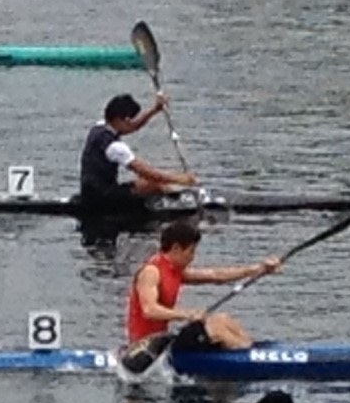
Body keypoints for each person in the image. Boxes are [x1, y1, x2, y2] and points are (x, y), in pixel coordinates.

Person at [125, 219, 280, 354]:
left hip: (163, 340)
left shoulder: (175, 271)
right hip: (145, 347)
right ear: (176, 248)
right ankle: (249, 358)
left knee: (222, 319)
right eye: (191, 252)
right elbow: (149, 310)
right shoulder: (151, 271)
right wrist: (188, 314)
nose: (193, 257)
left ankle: (251, 352)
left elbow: (215, 275)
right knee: (215, 328)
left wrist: (258, 269)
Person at [81, 92, 194, 216]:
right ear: (119, 119)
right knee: (154, 184)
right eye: (129, 120)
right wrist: (180, 179)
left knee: (145, 181)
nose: (131, 124)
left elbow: (133, 126)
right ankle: (179, 203)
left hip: (91, 190)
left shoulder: (101, 126)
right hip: (102, 197)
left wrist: (155, 110)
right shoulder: (115, 147)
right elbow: (148, 172)